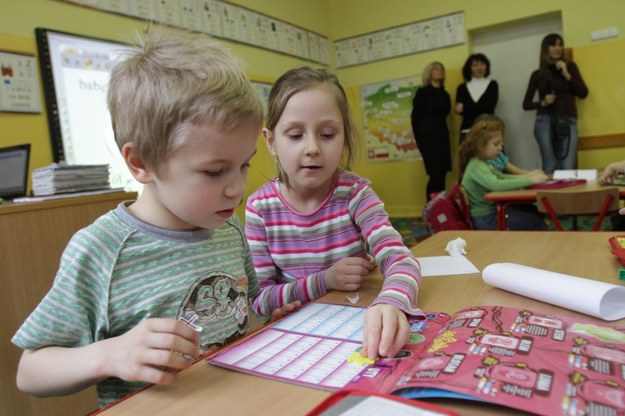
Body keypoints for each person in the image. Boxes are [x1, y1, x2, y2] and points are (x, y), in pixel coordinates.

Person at [11, 28, 298, 408]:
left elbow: (241, 314)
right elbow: (30, 372)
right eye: (215, 172)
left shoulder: (226, 225)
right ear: (141, 162)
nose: (236, 188)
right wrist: (109, 354)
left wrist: (267, 319)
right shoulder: (100, 250)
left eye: (244, 164)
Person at [245, 66, 424, 360]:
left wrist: (392, 302)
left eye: (327, 134)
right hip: (295, 343)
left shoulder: (355, 194)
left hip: (353, 328)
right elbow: (261, 300)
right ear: (271, 141)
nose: (313, 148)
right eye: (295, 135)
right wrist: (324, 280)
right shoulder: (260, 208)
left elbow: (400, 258)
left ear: (343, 139)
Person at [459, 115, 548, 230]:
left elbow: (502, 176)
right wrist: (529, 180)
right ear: (480, 145)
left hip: (492, 214)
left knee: (534, 212)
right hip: (486, 219)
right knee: (535, 222)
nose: (500, 148)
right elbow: (496, 184)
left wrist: (529, 176)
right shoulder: (476, 166)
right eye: (496, 144)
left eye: (501, 144)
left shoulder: (483, 163)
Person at [522, 33, 589, 174]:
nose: (557, 48)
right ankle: (549, 196)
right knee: (550, 165)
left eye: (560, 44)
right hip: (544, 121)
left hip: (568, 120)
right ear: (546, 48)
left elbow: (583, 93)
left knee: (567, 166)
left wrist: (566, 74)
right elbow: (526, 104)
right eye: (553, 45)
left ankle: (566, 196)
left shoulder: (570, 67)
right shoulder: (538, 74)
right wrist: (543, 102)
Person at [411, 61, 452, 200]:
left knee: (443, 173)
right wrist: (420, 139)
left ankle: (442, 210)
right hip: (428, 138)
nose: (439, 71)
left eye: (441, 69)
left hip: (442, 137)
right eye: (436, 69)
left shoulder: (444, 93)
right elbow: (415, 117)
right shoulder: (423, 92)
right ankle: (430, 211)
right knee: (435, 174)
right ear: (429, 73)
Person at [454, 53, 499, 143]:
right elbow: (459, 110)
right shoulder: (462, 88)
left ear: (486, 67)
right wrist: (477, 107)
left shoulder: (492, 84)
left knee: (491, 156)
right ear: (469, 69)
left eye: (482, 64)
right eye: (475, 65)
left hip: (488, 128)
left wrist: (465, 107)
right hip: (467, 130)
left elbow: (489, 106)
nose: (479, 68)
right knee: (468, 157)